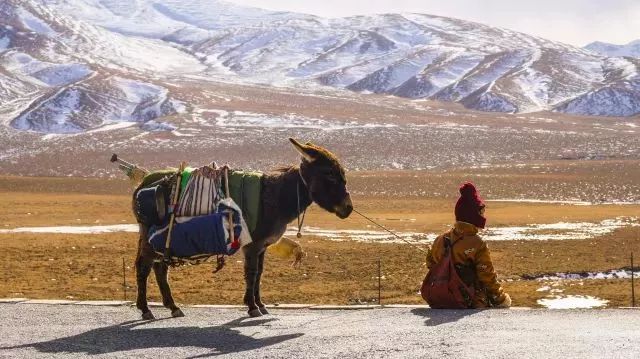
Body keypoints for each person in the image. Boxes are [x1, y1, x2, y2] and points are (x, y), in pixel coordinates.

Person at [425, 182, 511, 308]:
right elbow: (487, 276)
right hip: (469, 301)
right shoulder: (477, 244)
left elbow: (430, 264)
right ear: (473, 215)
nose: (483, 215)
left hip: (439, 299)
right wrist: (501, 299)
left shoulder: (440, 239)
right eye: (481, 212)